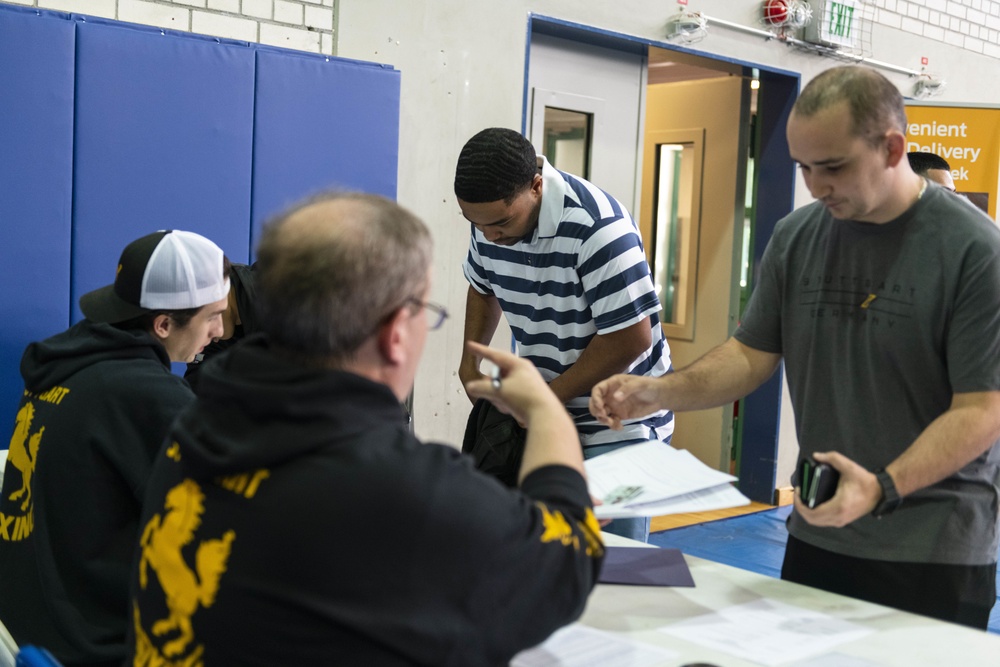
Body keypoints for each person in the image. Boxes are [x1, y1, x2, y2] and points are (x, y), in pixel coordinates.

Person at [590, 65, 1000, 629]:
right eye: (805, 167)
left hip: (931, 548)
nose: (815, 185)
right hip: (820, 527)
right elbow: (750, 354)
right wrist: (659, 393)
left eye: (833, 167)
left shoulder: (975, 252)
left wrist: (881, 487)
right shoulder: (797, 236)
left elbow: (982, 409)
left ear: (892, 148)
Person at [127, 193, 604, 666]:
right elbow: (569, 559)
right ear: (396, 333)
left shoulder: (194, 427)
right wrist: (544, 409)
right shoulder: (402, 488)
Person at [0, 230, 230, 666]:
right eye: (212, 316)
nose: (219, 332)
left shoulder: (62, 367)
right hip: (93, 645)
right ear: (163, 324)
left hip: (24, 631)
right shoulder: (146, 396)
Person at [455, 127, 673, 542]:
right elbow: (483, 285)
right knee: (542, 557)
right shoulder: (490, 220)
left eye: (500, 223)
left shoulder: (597, 228)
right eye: (475, 224)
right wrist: (469, 362)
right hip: (545, 414)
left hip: (616, 422)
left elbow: (630, 339)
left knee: (609, 562)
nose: (489, 236)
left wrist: (543, 401)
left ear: (536, 186)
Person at [184, 260, 259, 391]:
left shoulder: (279, 294)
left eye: (207, 318)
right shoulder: (212, 338)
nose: (215, 333)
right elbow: (197, 381)